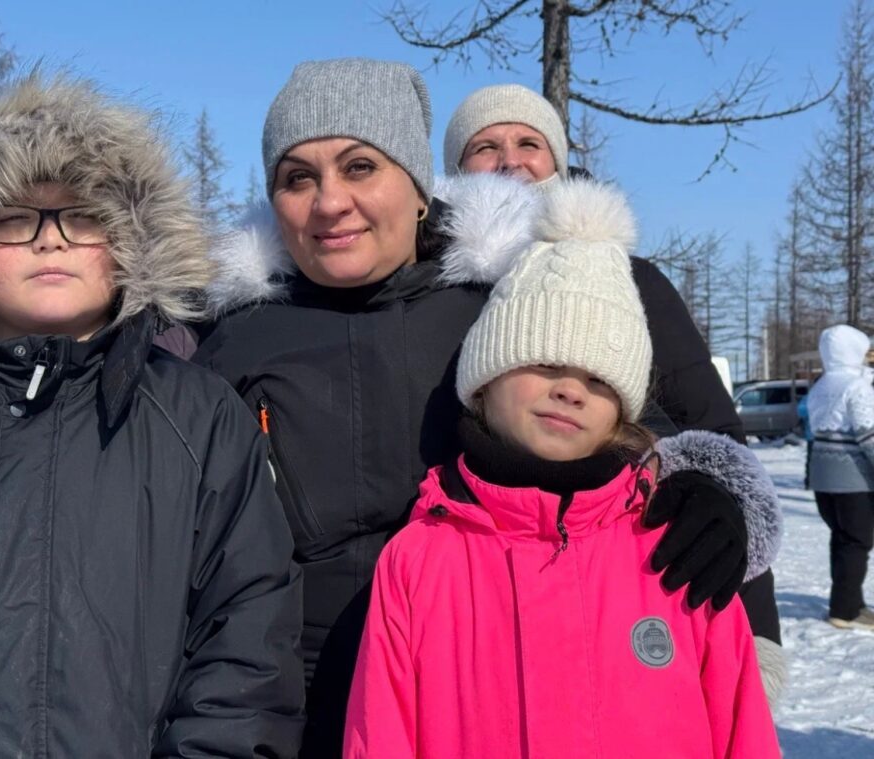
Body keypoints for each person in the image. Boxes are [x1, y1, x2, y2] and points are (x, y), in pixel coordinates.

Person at [192, 58, 781, 757]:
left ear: (418, 186)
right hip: (295, 714)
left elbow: (627, 424)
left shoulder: (502, 301)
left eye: (359, 167)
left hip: (488, 698)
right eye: (298, 178)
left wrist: (710, 490)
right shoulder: (233, 339)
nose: (329, 202)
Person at [0, 75, 304, 757]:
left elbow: (246, 657)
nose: (50, 241)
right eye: (14, 218)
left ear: (128, 241)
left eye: (83, 215)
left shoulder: (201, 422)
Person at [344, 180, 780, 758]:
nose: (571, 391)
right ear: (485, 379)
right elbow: (381, 734)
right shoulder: (420, 559)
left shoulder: (676, 545)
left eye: (599, 379)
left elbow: (742, 731)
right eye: (546, 362)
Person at [443, 80, 787, 703]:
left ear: (557, 162)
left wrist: (748, 605)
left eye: (529, 143)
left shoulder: (634, 282)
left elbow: (715, 431)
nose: (510, 160)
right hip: (477, 592)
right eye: (484, 147)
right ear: (455, 171)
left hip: (633, 580)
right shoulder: (437, 295)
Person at [807, 324, 874, 630]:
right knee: (857, 540)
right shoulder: (857, 386)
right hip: (852, 477)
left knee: (842, 538)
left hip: (823, 477)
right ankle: (846, 610)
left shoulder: (821, 385)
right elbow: (868, 434)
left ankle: (848, 601)